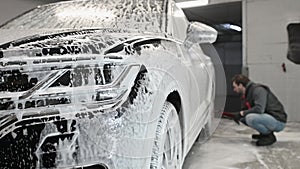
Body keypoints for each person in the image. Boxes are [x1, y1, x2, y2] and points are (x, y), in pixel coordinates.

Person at [230, 74, 287, 146]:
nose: (234, 90)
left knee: (250, 118)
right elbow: (246, 110)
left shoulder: (258, 90)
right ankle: (263, 134)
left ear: (241, 85)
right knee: (243, 118)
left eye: (235, 87)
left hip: (278, 120)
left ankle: (269, 136)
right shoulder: (247, 94)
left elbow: (260, 109)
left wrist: (242, 113)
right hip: (268, 118)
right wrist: (236, 115)